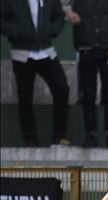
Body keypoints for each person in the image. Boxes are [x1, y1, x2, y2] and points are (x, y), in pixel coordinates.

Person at [1, 0, 70, 146]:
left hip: (45, 50)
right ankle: (30, 138)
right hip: (22, 52)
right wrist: (15, 31)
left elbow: (58, 16)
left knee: (62, 89)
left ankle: (59, 136)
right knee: (25, 97)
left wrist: (52, 29)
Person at [66, 0, 108, 149]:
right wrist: (69, 12)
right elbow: (61, 4)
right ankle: (91, 134)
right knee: (88, 94)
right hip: (85, 48)